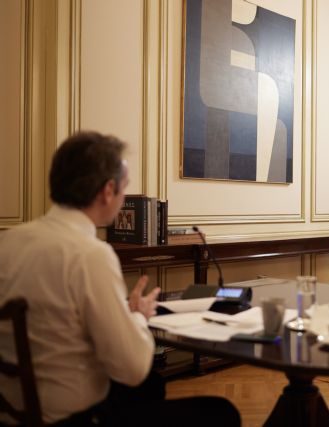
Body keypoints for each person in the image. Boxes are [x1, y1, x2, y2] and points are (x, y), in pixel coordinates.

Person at [0, 132, 240, 426]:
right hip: (71, 418)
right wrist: (137, 316)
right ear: (108, 190)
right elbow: (133, 368)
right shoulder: (89, 255)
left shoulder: (8, 242)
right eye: (124, 187)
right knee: (221, 412)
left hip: (13, 409)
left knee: (151, 386)